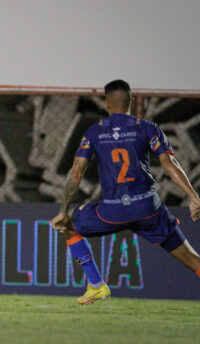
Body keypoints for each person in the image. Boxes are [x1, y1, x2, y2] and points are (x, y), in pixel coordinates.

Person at [52, 79, 200, 304]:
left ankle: (97, 285)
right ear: (131, 101)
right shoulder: (148, 127)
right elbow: (171, 164)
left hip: (112, 211)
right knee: (193, 260)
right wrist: (193, 196)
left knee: (69, 226)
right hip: (148, 209)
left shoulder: (94, 132)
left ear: (107, 103)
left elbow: (76, 172)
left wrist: (63, 210)